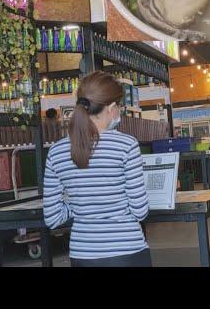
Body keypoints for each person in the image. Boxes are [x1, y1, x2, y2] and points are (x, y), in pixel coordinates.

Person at [43, 71, 151, 267]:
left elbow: (52, 218)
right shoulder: (126, 145)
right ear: (110, 108)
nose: (119, 110)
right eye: (118, 105)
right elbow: (140, 211)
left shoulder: (56, 152)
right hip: (127, 251)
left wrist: (78, 205)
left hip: (82, 254)